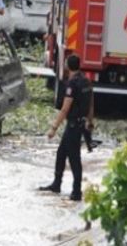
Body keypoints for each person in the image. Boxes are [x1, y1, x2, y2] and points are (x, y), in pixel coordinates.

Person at [39, 55, 94, 201]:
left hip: (73, 125)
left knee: (74, 158)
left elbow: (65, 109)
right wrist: (90, 121)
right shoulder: (86, 81)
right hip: (80, 124)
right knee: (61, 153)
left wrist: (53, 128)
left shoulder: (72, 84)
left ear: (68, 66)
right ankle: (56, 184)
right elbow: (91, 104)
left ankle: (76, 192)